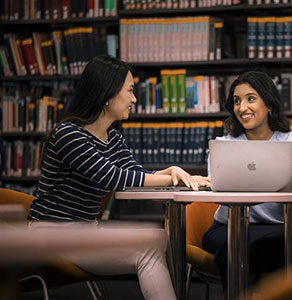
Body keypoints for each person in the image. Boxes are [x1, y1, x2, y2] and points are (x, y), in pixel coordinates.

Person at [27, 54, 210, 300]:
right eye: (130, 91)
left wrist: (171, 171)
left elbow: (135, 174)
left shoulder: (113, 138)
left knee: (157, 239)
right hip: (51, 234)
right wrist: (169, 178)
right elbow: (112, 177)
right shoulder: (68, 134)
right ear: (107, 93)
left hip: (85, 231)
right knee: (147, 250)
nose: (134, 99)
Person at [202, 71, 292, 289]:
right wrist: (275, 180)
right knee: (235, 245)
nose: (242, 108)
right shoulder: (223, 145)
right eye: (236, 101)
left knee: (285, 246)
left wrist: (247, 182)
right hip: (227, 226)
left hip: (278, 227)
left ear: (269, 104)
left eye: (250, 99)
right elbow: (218, 186)